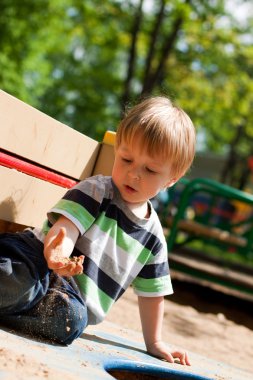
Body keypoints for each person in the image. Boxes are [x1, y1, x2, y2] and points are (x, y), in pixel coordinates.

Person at [0, 96, 195, 366]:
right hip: (37, 260)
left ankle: (10, 303)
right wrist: (58, 255)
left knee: (71, 324)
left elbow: (153, 294)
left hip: (71, 298)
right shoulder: (98, 191)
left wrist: (155, 342)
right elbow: (66, 228)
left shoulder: (153, 239)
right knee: (17, 278)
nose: (134, 174)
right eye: (126, 159)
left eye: (150, 169)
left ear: (172, 179)